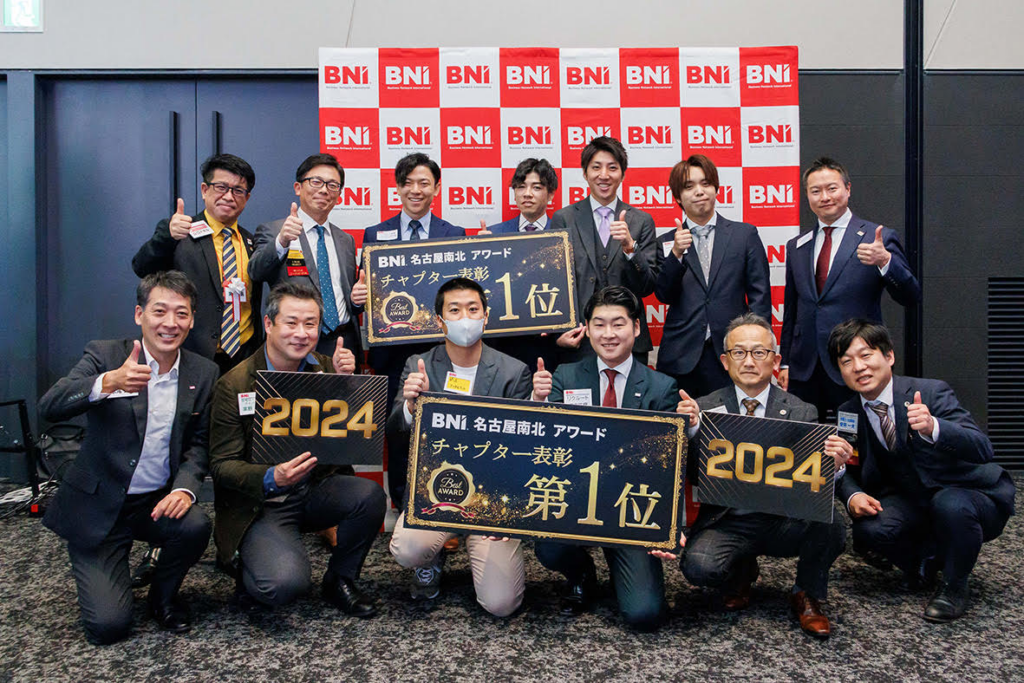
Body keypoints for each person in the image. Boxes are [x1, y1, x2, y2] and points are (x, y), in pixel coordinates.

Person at [38, 271, 218, 644]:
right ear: (139, 314)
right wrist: (106, 383)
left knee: (195, 525)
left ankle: (162, 597)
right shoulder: (106, 355)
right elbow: (50, 406)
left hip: (152, 502)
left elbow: (199, 444)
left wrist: (185, 488)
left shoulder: (203, 372)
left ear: (191, 320)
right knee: (109, 627)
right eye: (160, 311)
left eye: (181, 313)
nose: (170, 323)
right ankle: (108, 567)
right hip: (99, 503)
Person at [662, 313, 848, 638]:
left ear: (775, 360)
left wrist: (835, 464)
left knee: (832, 521)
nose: (749, 361)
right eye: (739, 352)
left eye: (759, 352)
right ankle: (742, 568)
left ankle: (807, 593)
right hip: (728, 520)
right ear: (725, 361)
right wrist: (689, 431)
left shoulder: (801, 411)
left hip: (782, 520)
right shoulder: (703, 407)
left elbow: (811, 481)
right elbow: (691, 476)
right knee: (698, 568)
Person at [208, 282, 386, 616]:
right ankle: (243, 563)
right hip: (264, 502)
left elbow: (351, 439)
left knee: (369, 496)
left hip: (315, 488)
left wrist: (347, 386)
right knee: (281, 585)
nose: (301, 334)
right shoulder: (234, 383)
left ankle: (340, 579)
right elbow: (221, 465)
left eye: (310, 324)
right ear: (268, 324)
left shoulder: (327, 367)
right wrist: (271, 476)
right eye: (291, 323)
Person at [828, 319, 1015, 622]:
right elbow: (847, 467)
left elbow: (982, 448)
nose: (858, 367)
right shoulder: (848, 412)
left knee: (950, 505)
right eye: (846, 361)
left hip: (970, 495)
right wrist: (852, 495)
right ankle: (926, 562)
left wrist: (934, 427)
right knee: (869, 530)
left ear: (889, 356)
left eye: (866, 355)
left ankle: (955, 586)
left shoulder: (930, 392)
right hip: (911, 499)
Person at [531, 286, 681, 631]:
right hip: (576, 500)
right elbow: (547, 445)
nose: (608, 334)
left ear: (637, 328)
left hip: (631, 510)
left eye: (618, 324)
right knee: (548, 547)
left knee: (644, 615)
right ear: (587, 329)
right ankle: (582, 572)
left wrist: (666, 525)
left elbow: (667, 467)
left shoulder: (662, 387)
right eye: (599, 324)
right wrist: (539, 403)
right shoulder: (565, 376)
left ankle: (622, 566)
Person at [387, 278, 532, 615]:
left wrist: (508, 514)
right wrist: (410, 406)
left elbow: (523, 450)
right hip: (437, 489)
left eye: (472, 309)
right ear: (440, 321)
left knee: (501, 605)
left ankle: (480, 546)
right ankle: (431, 558)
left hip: (491, 497)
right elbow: (395, 431)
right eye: (454, 310)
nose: (464, 317)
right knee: (408, 548)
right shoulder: (418, 365)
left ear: (486, 317)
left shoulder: (514, 372)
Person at [780, 157, 921, 422]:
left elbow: (911, 295)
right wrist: (785, 361)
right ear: (807, 196)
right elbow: (792, 311)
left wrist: (886, 261)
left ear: (847, 189)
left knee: (855, 439)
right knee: (804, 439)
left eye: (832, 188)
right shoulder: (797, 245)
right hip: (805, 368)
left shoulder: (877, 237)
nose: (825, 197)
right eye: (815, 191)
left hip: (856, 362)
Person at [132, 153, 263, 375]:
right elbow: (141, 267)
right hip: (191, 356)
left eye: (238, 190)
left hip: (243, 357)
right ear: (204, 190)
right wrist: (167, 237)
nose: (229, 196)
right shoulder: (179, 231)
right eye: (221, 187)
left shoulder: (251, 241)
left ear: (247, 197)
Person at [654, 155, 771, 398]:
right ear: (678, 197)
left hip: (733, 353)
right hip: (681, 356)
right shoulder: (667, 241)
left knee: (729, 421)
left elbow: (760, 296)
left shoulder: (744, 235)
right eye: (689, 186)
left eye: (705, 183)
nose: (699, 191)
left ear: (716, 188)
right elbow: (664, 295)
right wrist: (676, 255)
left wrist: (759, 349)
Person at [549, 136, 657, 365]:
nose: (604, 175)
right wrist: (558, 332)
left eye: (612, 168)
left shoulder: (641, 221)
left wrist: (630, 248)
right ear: (585, 173)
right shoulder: (564, 219)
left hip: (629, 341)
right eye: (596, 167)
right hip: (579, 340)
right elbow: (553, 283)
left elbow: (647, 286)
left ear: (623, 174)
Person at [249, 153, 366, 360]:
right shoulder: (274, 231)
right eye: (316, 182)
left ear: (339, 194)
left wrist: (356, 301)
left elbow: (344, 297)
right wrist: (282, 241)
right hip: (297, 342)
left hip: (343, 342)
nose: (324, 190)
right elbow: (255, 272)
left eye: (332, 185)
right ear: (298, 187)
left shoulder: (345, 240)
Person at [480, 157, 570, 373]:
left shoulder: (563, 235)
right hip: (504, 344)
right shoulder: (494, 234)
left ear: (551, 194)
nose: (527, 193)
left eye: (536, 187)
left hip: (552, 343)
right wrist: (480, 252)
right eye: (521, 187)